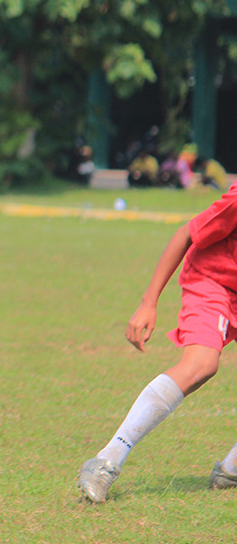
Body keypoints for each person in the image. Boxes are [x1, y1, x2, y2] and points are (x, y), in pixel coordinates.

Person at [78, 180, 237, 503]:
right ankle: (106, 460)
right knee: (201, 364)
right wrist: (149, 302)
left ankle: (231, 469)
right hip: (213, 281)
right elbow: (186, 234)